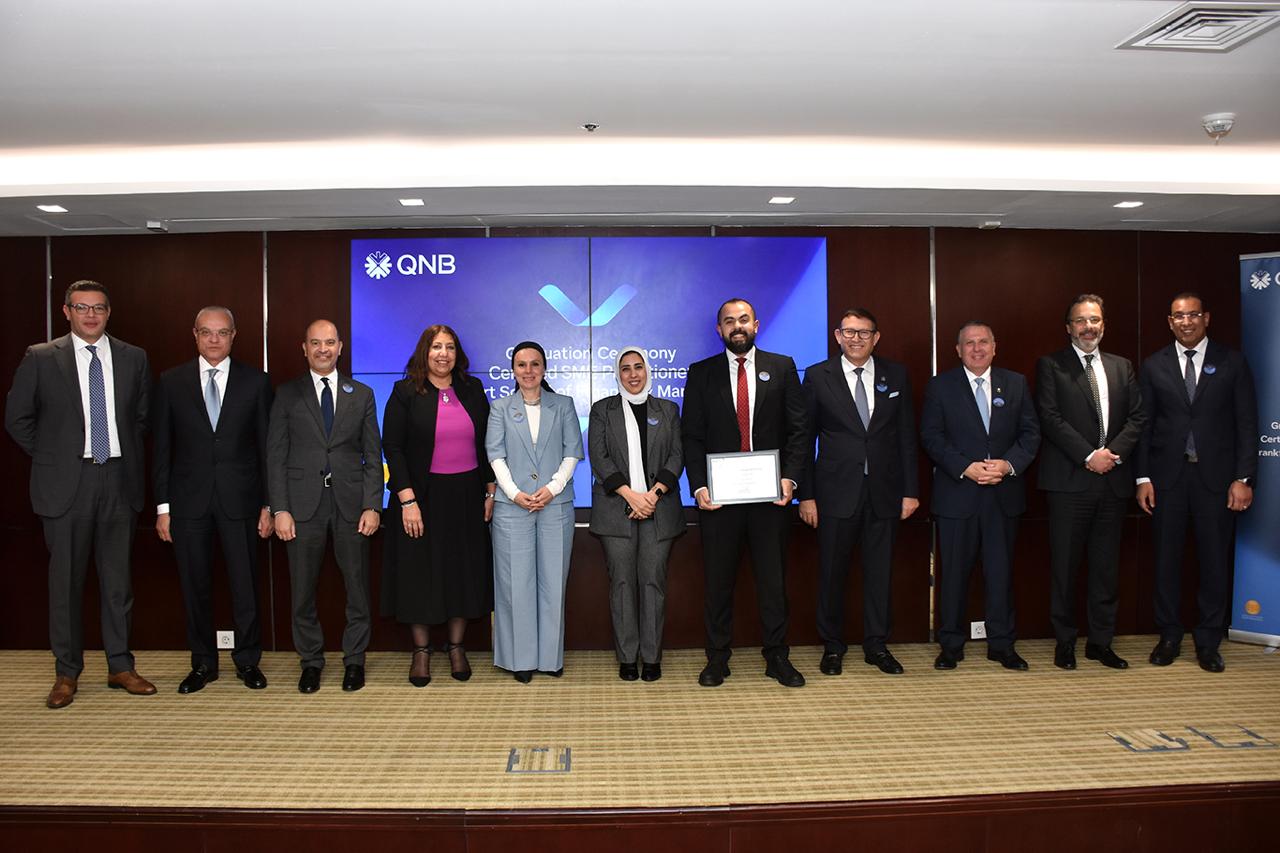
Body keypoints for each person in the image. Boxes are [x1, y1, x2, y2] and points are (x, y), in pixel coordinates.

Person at [5, 280, 156, 708]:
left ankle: (120, 666)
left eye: (99, 308)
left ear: (109, 312)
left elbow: (142, 418)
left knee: (118, 583)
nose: (91, 315)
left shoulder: (134, 357)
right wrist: (54, 457)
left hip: (119, 481)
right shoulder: (41, 357)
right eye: (82, 307)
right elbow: (17, 419)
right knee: (66, 584)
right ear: (67, 311)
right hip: (65, 486)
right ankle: (67, 673)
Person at [682, 298, 809, 688]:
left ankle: (777, 657)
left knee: (773, 583)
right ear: (718, 330)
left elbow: (799, 431)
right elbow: (692, 436)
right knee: (718, 583)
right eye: (728, 321)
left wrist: (790, 478)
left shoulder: (782, 367)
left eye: (743, 319)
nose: (736, 326)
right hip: (720, 500)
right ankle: (717, 658)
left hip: (771, 498)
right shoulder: (701, 373)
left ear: (756, 324)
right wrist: (699, 485)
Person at [153, 306, 274, 693]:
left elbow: (267, 449)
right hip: (188, 503)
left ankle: (247, 660)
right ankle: (203, 663)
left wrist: (269, 504)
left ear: (234, 335)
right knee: (195, 586)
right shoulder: (171, 382)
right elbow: (161, 449)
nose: (214, 339)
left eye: (222, 332)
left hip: (242, 500)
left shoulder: (256, 382)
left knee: (245, 586)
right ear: (195, 334)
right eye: (206, 332)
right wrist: (163, 507)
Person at [1135, 293, 1258, 673]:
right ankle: (1169, 636)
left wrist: (1243, 477)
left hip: (1217, 480)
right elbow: (1144, 426)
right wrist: (1143, 477)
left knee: (1214, 562)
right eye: (1178, 316)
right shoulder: (1153, 365)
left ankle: (1208, 641)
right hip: (1167, 480)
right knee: (1165, 561)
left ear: (1206, 318)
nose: (1186, 322)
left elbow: (1247, 423)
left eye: (1192, 315)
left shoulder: (1232, 361)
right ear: (1169, 321)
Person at [798, 308, 919, 677]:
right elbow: (803, 440)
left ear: (876, 338)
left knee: (880, 573)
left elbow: (906, 436)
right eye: (849, 332)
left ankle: (876, 645)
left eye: (864, 332)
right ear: (838, 336)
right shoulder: (818, 376)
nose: (856, 339)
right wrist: (807, 495)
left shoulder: (895, 374)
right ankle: (832, 647)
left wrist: (910, 491)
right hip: (835, 493)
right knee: (832, 573)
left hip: (885, 492)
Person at [267, 319, 382, 693]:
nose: (322, 349)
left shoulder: (361, 394)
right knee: (302, 591)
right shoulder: (287, 394)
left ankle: (354, 661)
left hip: (352, 506)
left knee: (357, 589)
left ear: (340, 347)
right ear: (304, 348)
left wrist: (373, 505)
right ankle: (311, 662)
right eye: (315, 343)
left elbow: (372, 454)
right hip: (302, 508)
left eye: (329, 342)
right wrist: (280, 508)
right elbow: (276, 455)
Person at [921, 321, 1040, 671]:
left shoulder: (1015, 383)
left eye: (983, 342)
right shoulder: (940, 386)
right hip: (957, 494)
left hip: (1003, 495)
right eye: (969, 343)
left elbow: (1031, 434)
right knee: (953, 575)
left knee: (1001, 575)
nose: (977, 348)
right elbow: (931, 436)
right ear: (958, 350)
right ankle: (950, 646)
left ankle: (1002, 645)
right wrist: (965, 467)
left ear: (994, 346)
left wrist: (1008, 465)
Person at [1035, 294, 1145, 671]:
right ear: (1069, 327)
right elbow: (1050, 418)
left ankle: (1101, 642)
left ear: (1103, 325)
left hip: (1112, 482)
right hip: (1069, 483)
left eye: (1094, 320)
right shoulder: (1051, 365)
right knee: (1064, 569)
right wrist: (1088, 455)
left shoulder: (1122, 366)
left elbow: (1137, 417)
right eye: (1080, 321)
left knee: (1106, 569)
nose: (1088, 327)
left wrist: (1112, 453)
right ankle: (1065, 642)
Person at [381, 324, 494, 687]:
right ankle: (421, 651)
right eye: (436, 347)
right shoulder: (404, 392)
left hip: (466, 495)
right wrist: (407, 499)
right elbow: (392, 448)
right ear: (424, 352)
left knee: (463, 571)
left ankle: (457, 646)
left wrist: (490, 492)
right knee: (420, 573)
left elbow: (488, 444)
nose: (443, 354)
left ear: (457, 354)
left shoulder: (473, 389)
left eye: (449, 347)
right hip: (420, 498)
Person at [486, 341, 584, 683]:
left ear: (544, 368)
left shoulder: (564, 405)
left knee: (553, 582)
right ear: (513, 370)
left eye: (535, 364)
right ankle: (520, 660)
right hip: (512, 508)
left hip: (555, 504)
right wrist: (514, 493)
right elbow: (495, 455)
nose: (528, 371)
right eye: (522, 364)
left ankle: (550, 658)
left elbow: (572, 452)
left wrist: (552, 488)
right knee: (516, 585)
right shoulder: (500, 408)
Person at [588, 348, 684, 682]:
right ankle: (628, 657)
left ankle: (652, 657)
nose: (632, 374)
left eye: (638, 367)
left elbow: (677, 456)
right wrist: (631, 495)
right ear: (618, 373)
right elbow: (599, 458)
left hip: (659, 509)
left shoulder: (668, 410)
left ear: (647, 370)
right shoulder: (603, 410)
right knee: (622, 584)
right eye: (626, 368)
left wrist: (653, 495)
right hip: (616, 510)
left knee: (653, 582)